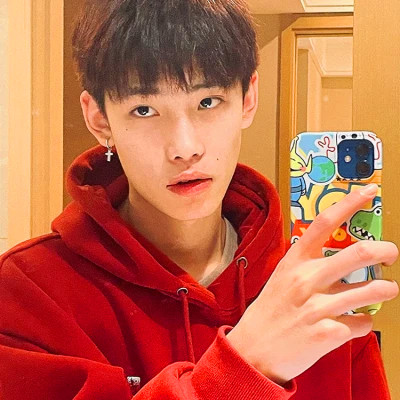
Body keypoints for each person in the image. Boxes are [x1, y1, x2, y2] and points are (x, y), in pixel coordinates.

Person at [0, 0, 398, 398]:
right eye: (144, 109)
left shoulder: (312, 285)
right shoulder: (27, 291)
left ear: (248, 98)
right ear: (99, 118)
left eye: (208, 102)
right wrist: (248, 366)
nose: (184, 148)